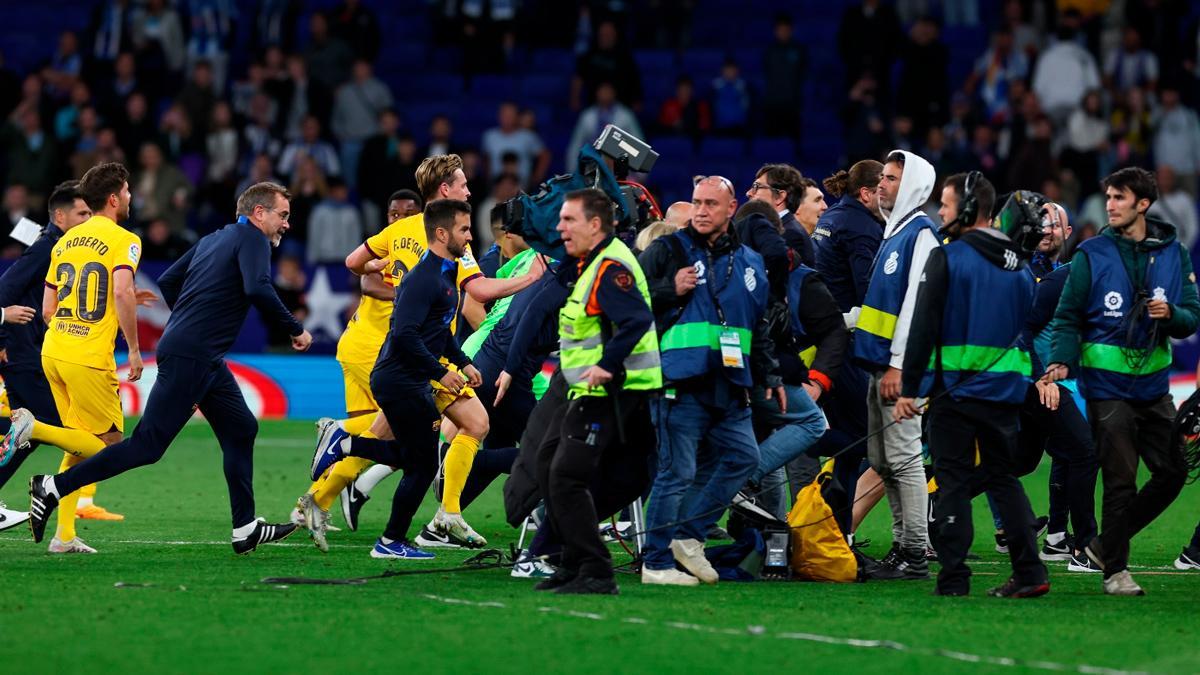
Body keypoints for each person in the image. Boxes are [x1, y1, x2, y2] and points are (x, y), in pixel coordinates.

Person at [24, 181, 313, 554]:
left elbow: (168, 280)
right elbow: (258, 287)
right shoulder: (253, 240)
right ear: (259, 213)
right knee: (147, 446)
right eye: (283, 215)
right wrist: (295, 328)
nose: (286, 224)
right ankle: (53, 487)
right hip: (194, 354)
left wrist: (189, 319)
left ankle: (245, 529)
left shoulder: (213, 239)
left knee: (242, 428)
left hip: (200, 355)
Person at [298, 154, 544, 551]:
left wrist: (381, 269)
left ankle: (320, 498)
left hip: (409, 349)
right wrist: (531, 279)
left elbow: (353, 263)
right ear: (445, 190)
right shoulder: (449, 235)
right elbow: (478, 291)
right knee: (443, 435)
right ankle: (434, 513)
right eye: (462, 184)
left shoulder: (399, 230)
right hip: (419, 355)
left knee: (408, 431)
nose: (468, 191)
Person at [894, 171, 1049, 598]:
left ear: (965, 208)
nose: (940, 214)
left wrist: (910, 389)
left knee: (954, 483)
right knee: (1003, 479)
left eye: (945, 205)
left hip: (956, 392)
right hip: (1006, 392)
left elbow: (923, 328)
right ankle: (1030, 572)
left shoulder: (948, 258)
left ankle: (954, 577)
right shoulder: (1022, 268)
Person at [1046, 167, 1200, 595]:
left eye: (1119, 198)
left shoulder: (1174, 254)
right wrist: (1060, 359)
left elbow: (1192, 317)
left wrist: (1172, 316)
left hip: (1153, 388)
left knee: (1173, 472)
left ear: (1143, 204)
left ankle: (1102, 545)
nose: (1109, 205)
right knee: (1120, 479)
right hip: (1106, 389)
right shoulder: (1091, 253)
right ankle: (1116, 572)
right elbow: (1067, 316)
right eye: (1109, 197)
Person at [309, 200, 482, 560]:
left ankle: (344, 442)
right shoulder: (423, 279)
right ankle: (390, 540)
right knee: (422, 465)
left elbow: (439, 330)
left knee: (412, 459)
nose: (470, 237)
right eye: (464, 229)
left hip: (408, 378)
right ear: (442, 233)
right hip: (400, 380)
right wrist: (441, 372)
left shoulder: (445, 274)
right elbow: (404, 335)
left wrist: (463, 363)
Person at [638, 176, 782, 587]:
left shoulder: (750, 261)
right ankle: (655, 562)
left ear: (731, 208)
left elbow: (760, 323)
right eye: (697, 203)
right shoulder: (668, 250)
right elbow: (626, 301)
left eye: (710, 204)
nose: (701, 211)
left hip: (730, 383)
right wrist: (668, 289)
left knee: (744, 457)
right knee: (677, 472)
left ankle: (688, 537)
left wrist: (769, 373)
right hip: (679, 381)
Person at [3, 164, 153, 553]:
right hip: (88, 356)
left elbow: (48, 308)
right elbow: (120, 291)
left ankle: (64, 535)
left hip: (54, 350)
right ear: (114, 198)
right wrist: (134, 349)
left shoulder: (64, 241)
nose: (131, 197)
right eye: (127, 191)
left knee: (78, 444)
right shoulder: (125, 239)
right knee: (111, 448)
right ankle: (34, 429)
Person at [532, 188, 660, 594]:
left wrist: (606, 365)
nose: (560, 227)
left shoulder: (609, 267)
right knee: (552, 465)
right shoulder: (593, 264)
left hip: (611, 393)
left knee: (565, 476)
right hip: (605, 393)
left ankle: (594, 568)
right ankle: (573, 561)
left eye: (568, 219)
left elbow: (637, 320)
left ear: (595, 224)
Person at [852, 150, 938, 578]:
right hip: (880, 364)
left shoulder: (921, 235)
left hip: (898, 370)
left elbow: (918, 307)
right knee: (884, 460)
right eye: (882, 177)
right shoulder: (896, 232)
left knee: (903, 458)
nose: (881, 184)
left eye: (890, 178)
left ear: (914, 186)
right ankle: (904, 547)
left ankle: (915, 552)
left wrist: (901, 366)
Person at [0, 182, 81, 531]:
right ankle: (64, 528)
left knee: (28, 432)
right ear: (60, 216)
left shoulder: (59, 246)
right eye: (82, 213)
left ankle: (65, 532)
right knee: (56, 427)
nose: (89, 219)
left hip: (30, 351)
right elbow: (4, 290)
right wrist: (2, 334)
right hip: (22, 353)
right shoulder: (45, 248)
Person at [745, 163, 814, 267]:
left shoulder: (791, 235)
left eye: (756, 187)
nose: (748, 193)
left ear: (779, 197)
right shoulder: (775, 229)